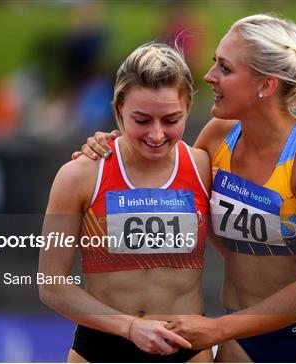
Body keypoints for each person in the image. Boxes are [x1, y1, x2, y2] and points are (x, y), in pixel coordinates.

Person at [76, 14, 296, 363]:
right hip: (242, 340)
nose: (209, 76)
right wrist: (111, 144)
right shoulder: (218, 137)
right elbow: (166, 178)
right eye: (214, 62)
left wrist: (218, 330)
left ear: (266, 85)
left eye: (225, 68)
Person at [39, 42, 213, 363]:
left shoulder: (204, 167)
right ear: (118, 109)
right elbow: (51, 284)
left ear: (188, 107)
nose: (157, 135)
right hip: (102, 347)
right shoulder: (81, 175)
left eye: (172, 119)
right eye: (142, 120)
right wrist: (131, 327)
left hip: (184, 349)